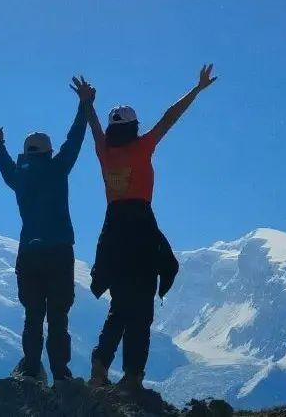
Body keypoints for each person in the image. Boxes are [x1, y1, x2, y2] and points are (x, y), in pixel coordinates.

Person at [87, 64, 218, 390]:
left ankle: (100, 366)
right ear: (134, 127)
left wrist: (87, 103)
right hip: (142, 231)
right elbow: (169, 118)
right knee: (141, 309)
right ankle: (133, 376)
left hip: (114, 232)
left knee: (119, 307)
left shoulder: (104, 152)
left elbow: (94, 128)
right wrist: (197, 89)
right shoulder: (141, 147)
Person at [0, 76, 96, 384]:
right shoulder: (57, 167)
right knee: (58, 316)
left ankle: (31, 369)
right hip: (59, 250)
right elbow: (74, 139)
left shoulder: (19, 177)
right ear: (48, 151)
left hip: (29, 252)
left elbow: (5, 165)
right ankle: (61, 373)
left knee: (33, 315)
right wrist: (84, 104)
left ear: (27, 153)